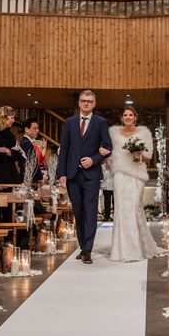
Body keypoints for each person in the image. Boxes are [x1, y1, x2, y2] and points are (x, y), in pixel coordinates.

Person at [57, 90, 112, 265]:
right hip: (72, 174)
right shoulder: (70, 122)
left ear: (94, 104)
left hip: (92, 175)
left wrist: (94, 159)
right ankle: (83, 246)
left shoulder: (101, 122)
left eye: (89, 101)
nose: (86, 103)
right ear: (79, 103)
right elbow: (64, 149)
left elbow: (108, 146)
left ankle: (87, 250)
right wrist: (62, 173)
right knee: (78, 212)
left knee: (90, 212)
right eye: (83, 101)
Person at [107, 106, 163, 262]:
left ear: (135, 117)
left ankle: (137, 247)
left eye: (130, 114)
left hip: (136, 175)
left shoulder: (144, 133)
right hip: (119, 175)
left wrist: (138, 154)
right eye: (125, 115)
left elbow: (148, 156)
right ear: (121, 118)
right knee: (121, 208)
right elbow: (109, 152)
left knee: (134, 207)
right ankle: (121, 249)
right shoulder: (113, 133)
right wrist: (109, 162)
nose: (128, 117)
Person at [19, 118, 44, 182]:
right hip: (29, 178)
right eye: (35, 128)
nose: (37, 131)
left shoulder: (25, 142)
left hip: (28, 176)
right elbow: (33, 163)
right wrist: (41, 177)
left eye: (37, 129)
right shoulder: (26, 143)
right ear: (27, 130)